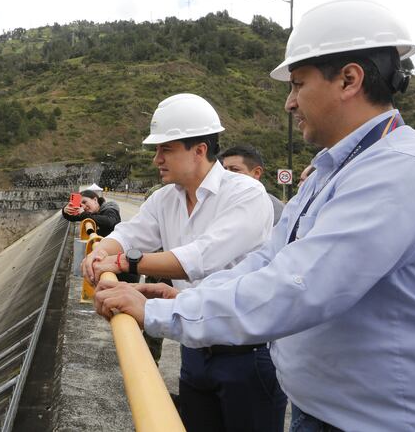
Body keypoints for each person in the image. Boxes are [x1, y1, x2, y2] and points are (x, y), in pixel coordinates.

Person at [92, 0, 415, 431]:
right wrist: (185, 298)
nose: (290, 103)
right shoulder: (332, 172)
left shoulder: (401, 172)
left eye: (297, 84)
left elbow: (296, 286)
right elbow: (268, 261)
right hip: (319, 411)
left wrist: (160, 312)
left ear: (349, 79)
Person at [81, 93, 285, 432]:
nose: (156, 159)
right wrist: (102, 252)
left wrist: (119, 262)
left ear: (200, 150)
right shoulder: (165, 199)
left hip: (245, 355)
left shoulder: (246, 195)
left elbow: (200, 257)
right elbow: (132, 232)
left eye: (166, 149)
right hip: (194, 349)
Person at [63, 190, 138, 284]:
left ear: (95, 199)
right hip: (107, 259)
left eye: (85, 202)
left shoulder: (110, 208)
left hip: (123, 264)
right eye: (81, 204)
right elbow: (72, 217)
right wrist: (65, 210)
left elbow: (110, 221)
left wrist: (83, 214)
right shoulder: (90, 213)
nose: (83, 206)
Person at [220, 144, 285, 224]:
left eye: (235, 170)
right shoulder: (216, 202)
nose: (227, 175)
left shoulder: (275, 208)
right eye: (224, 170)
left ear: (257, 173)